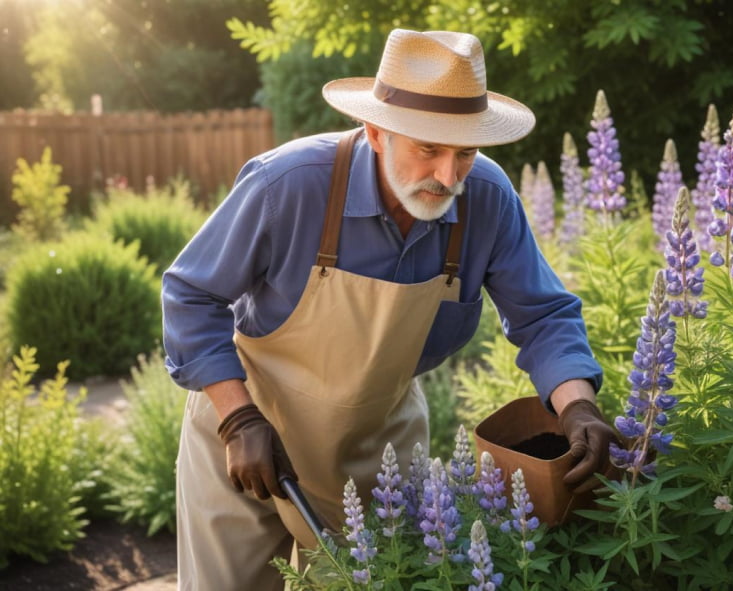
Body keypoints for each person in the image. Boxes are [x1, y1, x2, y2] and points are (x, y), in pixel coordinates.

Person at [162, 28, 616, 590]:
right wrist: (236, 418)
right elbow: (189, 294)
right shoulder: (290, 185)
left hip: (375, 451)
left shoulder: (488, 201)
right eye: (428, 149)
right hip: (249, 437)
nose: (449, 176)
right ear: (376, 132)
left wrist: (577, 408)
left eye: (465, 153)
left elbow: (543, 315)